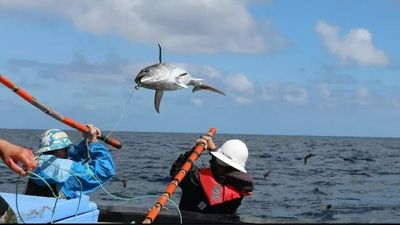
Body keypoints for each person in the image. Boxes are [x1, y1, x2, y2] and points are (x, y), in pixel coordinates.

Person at [24, 124, 115, 199]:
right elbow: (105, 170)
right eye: (66, 148)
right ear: (61, 149)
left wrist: (86, 141)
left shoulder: (36, 163)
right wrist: (93, 142)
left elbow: (74, 153)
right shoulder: (68, 169)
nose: (68, 151)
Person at [170, 135, 254, 214]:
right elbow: (224, 169)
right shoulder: (240, 188)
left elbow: (177, 168)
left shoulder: (194, 180)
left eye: (216, 159)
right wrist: (214, 150)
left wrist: (195, 149)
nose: (211, 161)